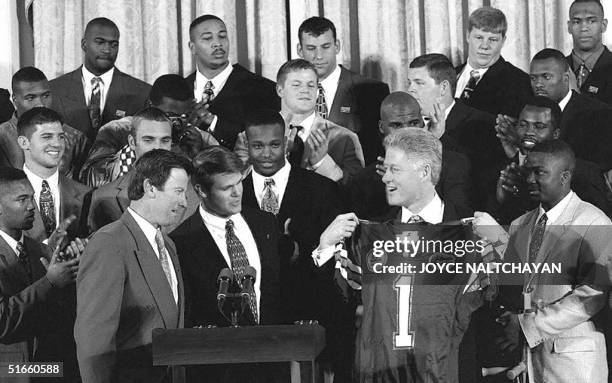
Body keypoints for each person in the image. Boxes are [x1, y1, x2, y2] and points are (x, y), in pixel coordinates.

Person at [314, 128, 480, 382]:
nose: (385, 178)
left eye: (394, 169)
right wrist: (324, 247)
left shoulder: (471, 234)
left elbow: (504, 302)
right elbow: (336, 302)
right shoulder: (371, 234)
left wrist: (502, 245)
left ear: (424, 172)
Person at [473, 140, 611, 383]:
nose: (529, 180)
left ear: (564, 176)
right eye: (527, 171)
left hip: (574, 363)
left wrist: (527, 327)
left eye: (539, 173)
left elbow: (592, 295)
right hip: (529, 361)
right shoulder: (520, 224)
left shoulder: (593, 222)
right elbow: (520, 289)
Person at [170, 146, 284, 382]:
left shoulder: (265, 224)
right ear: (200, 190)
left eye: (239, 183)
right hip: (217, 369)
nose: (237, 193)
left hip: (272, 363)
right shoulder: (182, 242)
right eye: (226, 188)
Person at [75, 149, 190, 383]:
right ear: (149, 188)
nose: (184, 202)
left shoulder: (167, 245)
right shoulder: (109, 243)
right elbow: (93, 341)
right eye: (178, 191)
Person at [0, 166, 83, 383]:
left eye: (32, 198)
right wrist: (50, 283)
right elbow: (3, 322)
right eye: (22, 199)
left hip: (52, 369)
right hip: (9, 373)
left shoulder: (42, 251)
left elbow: (64, 317)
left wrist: (77, 266)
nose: (32, 207)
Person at [235, 59, 364, 185]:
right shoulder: (248, 137)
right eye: (297, 85)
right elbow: (237, 183)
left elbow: (356, 192)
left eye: (311, 85)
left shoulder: (345, 138)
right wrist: (276, 158)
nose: (305, 90)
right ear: (280, 90)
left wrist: (322, 163)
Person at [348, 91, 473, 220]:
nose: (407, 131)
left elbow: (461, 221)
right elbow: (372, 233)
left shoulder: (454, 165)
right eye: (396, 125)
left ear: (422, 123)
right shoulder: (366, 180)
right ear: (381, 127)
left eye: (413, 123)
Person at [81, 74, 217, 187]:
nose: (175, 123)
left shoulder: (200, 138)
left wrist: (199, 156)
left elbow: (221, 184)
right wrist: (137, 148)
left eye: (184, 116)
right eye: (169, 115)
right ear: (150, 105)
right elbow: (91, 178)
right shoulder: (117, 130)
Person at [493, 97, 610, 223]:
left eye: (539, 126)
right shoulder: (506, 170)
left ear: (556, 134)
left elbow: (600, 229)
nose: (529, 132)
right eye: (523, 125)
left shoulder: (583, 174)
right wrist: (505, 201)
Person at [407, 53, 501, 208]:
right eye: (409, 83)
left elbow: (477, 180)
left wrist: (439, 138)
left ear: (443, 87)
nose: (411, 89)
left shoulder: (482, 123)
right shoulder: (407, 125)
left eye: (419, 83)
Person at [87, 107, 199, 233]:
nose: (157, 147)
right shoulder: (104, 197)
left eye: (165, 140)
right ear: (132, 142)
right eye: (148, 140)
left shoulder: (193, 192)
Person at [297, 16, 390, 165]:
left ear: (337, 46)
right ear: (300, 50)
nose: (318, 56)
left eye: (325, 47)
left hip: (354, 183)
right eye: (311, 48)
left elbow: (379, 147)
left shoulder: (372, 91)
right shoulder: (290, 93)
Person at [185, 14, 280, 149]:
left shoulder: (263, 89)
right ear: (192, 47)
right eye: (207, 38)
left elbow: (266, 141)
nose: (217, 43)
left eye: (222, 36)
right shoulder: (179, 89)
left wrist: (214, 123)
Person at [49, 17, 151, 140]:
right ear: (84, 44)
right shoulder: (54, 89)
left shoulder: (142, 92)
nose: (107, 50)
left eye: (114, 44)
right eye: (100, 42)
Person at [524, 48, 612, 176]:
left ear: (566, 78)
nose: (538, 84)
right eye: (533, 78)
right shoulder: (527, 112)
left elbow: (599, 168)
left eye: (546, 77)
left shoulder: (600, 114)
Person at [16, 107, 91, 244]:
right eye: (47, 137)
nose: (57, 144)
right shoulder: (4, 194)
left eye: (61, 137)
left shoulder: (86, 195)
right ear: (24, 142)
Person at [0, 67, 89, 179]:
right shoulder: (2, 137)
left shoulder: (75, 138)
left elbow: (82, 187)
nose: (41, 104)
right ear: (15, 99)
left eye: (45, 96)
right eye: (31, 98)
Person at [455, 6, 532, 118]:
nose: (485, 46)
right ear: (467, 36)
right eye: (479, 37)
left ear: (503, 41)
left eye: (493, 39)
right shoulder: (450, 74)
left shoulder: (519, 82)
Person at [566, 0, 612, 105]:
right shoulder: (558, 67)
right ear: (569, 27)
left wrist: (576, 96)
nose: (584, 28)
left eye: (591, 21)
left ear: (603, 25)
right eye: (577, 22)